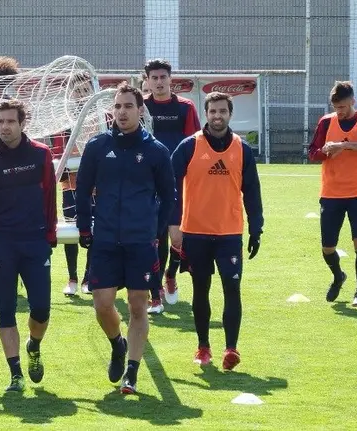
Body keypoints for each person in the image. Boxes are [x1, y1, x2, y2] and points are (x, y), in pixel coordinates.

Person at [75, 82, 175, 394]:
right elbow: (82, 190)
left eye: (128, 106)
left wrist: (156, 232)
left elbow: (169, 197)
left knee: (137, 306)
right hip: (105, 240)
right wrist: (84, 227)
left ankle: (131, 371)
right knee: (102, 305)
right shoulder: (97, 146)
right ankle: (117, 344)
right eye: (117, 106)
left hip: (140, 242)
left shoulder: (156, 151)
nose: (122, 112)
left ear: (140, 110)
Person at [0, 99, 58, 392]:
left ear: (22, 123)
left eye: (10, 121)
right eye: (0, 122)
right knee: (5, 310)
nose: (4, 127)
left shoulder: (41, 154)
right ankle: (15, 374)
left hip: (35, 241)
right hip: (3, 244)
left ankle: (34, 345)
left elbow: (50, 197)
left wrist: (50, 233)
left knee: (41, 309)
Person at [170, 91, 263, 371]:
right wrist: (173, 224)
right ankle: (203, 347)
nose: (217, 116)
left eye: (222, 111)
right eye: (213, 111)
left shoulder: (242, 149)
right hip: (195, 232)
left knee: (232, 288)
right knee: (201, 289)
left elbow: (252, 191)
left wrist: (256, 228)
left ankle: (231, 348)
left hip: (229, 233)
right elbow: (170, 187)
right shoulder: (189, 146)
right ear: (206, 114)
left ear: (230, 114)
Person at [307, 81, 357, 306]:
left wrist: (344, 145)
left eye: (342, 107)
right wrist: (325, 151)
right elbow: (312, 152)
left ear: (352, 102)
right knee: (327, 247)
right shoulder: (326, 122)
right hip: (331, 193)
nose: (339, 111)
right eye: (336, 107)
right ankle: (338, 276)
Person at [143, 58, 201, 314]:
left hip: (177, 181)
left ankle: (170, 274)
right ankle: (154, 292)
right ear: (147, 80)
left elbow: (195, 144)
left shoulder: (185, 108)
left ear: (170, 79)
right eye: (154, 78)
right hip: (147, 182)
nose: (159, 82)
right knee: (154, 239)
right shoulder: (141, 107)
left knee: (177, 238)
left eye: (162, 77)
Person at [50, 72, 96, 296]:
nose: (82, 94)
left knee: (94, 230)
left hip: (97, 186)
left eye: (86, 90)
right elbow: (57, 152)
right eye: (77, 90)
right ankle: (72, 278)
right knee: (70, 230)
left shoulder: (101, 117)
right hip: (70, 184)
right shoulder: (63, 120)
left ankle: (89, 277)